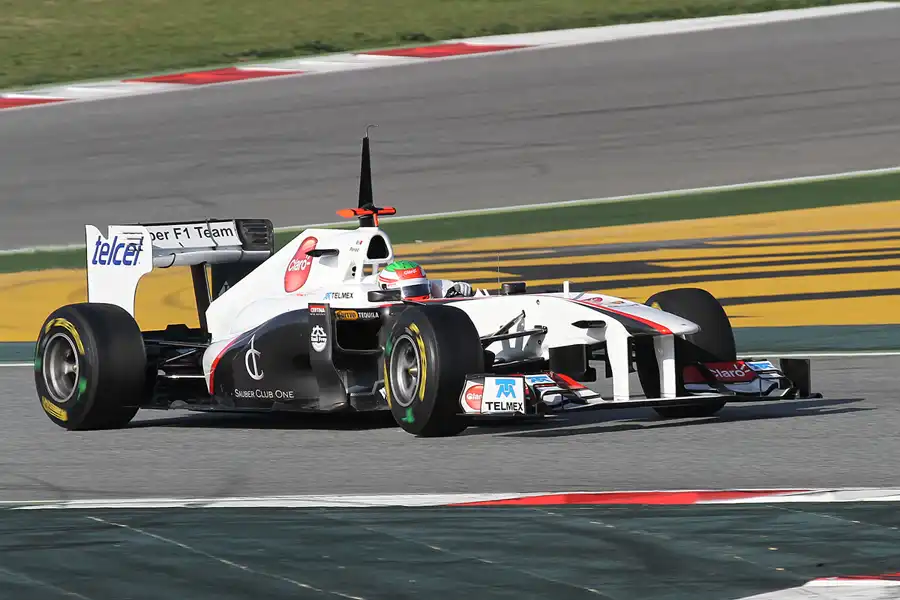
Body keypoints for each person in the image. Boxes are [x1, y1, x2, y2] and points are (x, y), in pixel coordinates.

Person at [376, 260, 475, 300]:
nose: (418, 296)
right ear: (387, 290)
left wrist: (461, 293)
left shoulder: (439, 288)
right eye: (409, 290)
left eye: (420, 288)